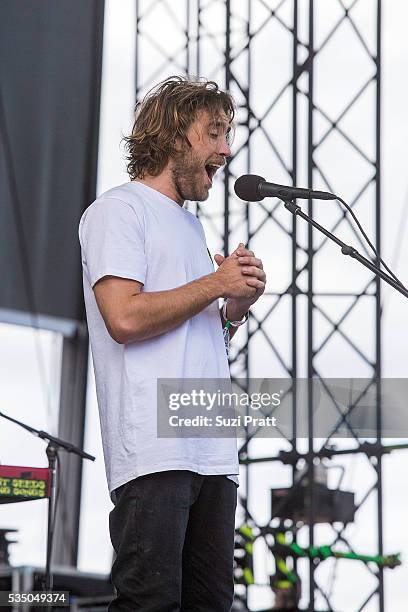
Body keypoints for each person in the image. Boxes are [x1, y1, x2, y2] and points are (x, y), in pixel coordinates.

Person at [78, 75, 266, 611]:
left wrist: (232, 310)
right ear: (176, 135)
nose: (227, 150)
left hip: (211, 445)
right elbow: (125, 319)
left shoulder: (189, 227)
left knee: (211, 603)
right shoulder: (119, 210)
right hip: (155, 449)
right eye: (215, 134)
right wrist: (217, 283)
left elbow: (196, 334)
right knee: (150, 602)